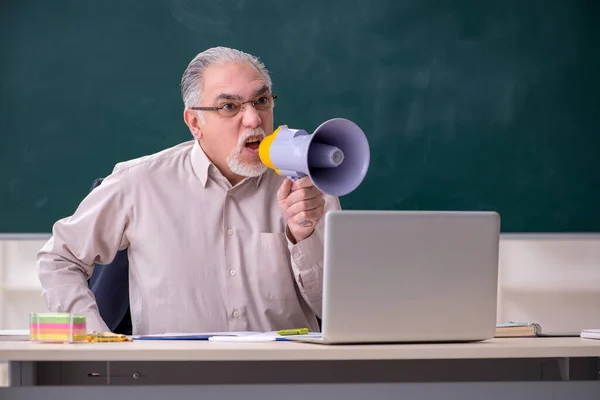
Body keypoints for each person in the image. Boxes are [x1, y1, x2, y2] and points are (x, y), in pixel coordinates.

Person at [37, 46, 341, 335]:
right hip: (172, 380)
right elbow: (59, 259)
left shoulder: (310, 186)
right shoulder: (138, 184)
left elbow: (336, 310)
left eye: (261, 101)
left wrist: (304, 237)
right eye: (229, 106)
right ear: (195, 122)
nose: (253, 120)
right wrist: (94, 336)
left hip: (287, 379)